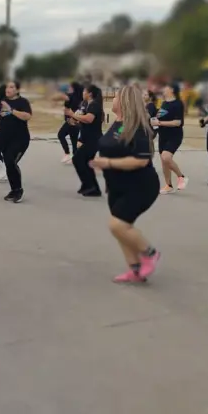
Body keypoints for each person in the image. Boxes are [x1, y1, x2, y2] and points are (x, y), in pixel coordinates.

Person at [90, 85, 161, 283]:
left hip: (140, 185)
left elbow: (141, 160)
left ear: (124, 101)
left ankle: (150, 253)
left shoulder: (139, 127)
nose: (111, 99)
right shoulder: (118, 123)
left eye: (115, 97)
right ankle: (135, 270)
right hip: (116, 185)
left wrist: (108, 162)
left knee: (117, 225)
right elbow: (111, 148)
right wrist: (101, 162)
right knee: (123, 228)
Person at [0, 81, 33, 203]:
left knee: (10, 160)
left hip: (20, 139)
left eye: (11, 87)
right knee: (8, 162)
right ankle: (14, 190)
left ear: (17, 90)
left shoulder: (23, 102)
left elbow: (27, 116)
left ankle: (19, 190)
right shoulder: (3, 102)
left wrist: (11, 110)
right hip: (6, 139)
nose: (8, 89)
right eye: (7, 86)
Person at [153, 83, 188, 194]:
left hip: (174, 135)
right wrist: (154, 122)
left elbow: (178, 122)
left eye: (166, 87)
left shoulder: (178, 104)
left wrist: (160, 122)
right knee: (164, 161)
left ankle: (181, 177)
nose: (163, 89)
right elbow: (159, 117)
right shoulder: (164, 103)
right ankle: (168, 185)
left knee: (166, 157)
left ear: (172, 89)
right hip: (163, 135)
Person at [72, 84, 105, 197]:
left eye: (84, 91)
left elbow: (89, 119)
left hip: (93, 139)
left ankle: (89, 185)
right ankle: (91, 187)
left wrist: (73, 115)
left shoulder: (94, 105)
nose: (83, 93)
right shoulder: (87, 105)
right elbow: (84, 121)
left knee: (77, 159)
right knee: (85, 162)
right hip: (87, 138)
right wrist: (75, 121)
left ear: (90, 93)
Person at [55, 82, 83, 164]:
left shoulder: (70, 96)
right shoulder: (80, 98)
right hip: (77, 120)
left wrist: (60, 93)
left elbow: (61, 97)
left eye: (70, 87)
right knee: (73, 140)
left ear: (74, 88)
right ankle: (76, 157)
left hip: (71, 121)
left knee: (61, 134)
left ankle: (67, 153)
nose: (69, 88)